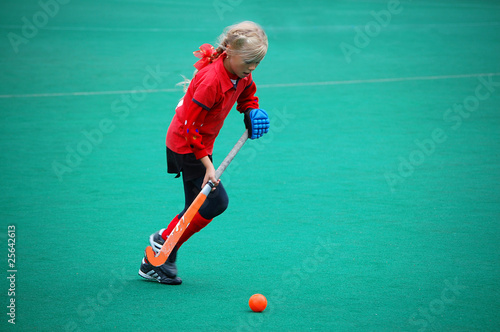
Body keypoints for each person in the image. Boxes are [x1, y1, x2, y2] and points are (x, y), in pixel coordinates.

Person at [139, 21, 270, 285]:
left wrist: (251, 111)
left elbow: (247, 94)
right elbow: (189, 127)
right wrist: (208, 165)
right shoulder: (211, 82)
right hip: (186, 145)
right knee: (214, 202)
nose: (252, 68)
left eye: (257, 63)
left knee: (197, 206)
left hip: (201, 143)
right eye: (249, 62)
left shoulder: (241, 72)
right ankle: (164, 242)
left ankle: (159, 256)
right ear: (230, 51)